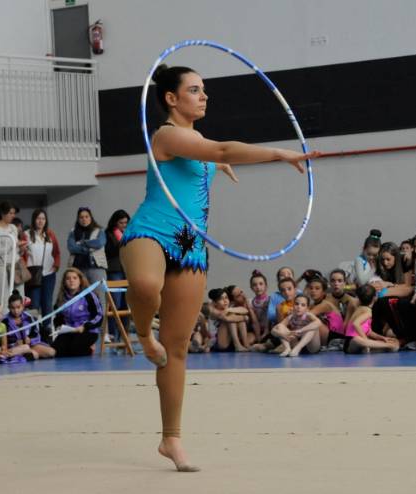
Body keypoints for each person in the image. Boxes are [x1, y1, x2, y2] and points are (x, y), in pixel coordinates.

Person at [117, 64, 315, 471]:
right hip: (151, 231)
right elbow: (220, 150)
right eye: (194, 89)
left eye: (203, 89)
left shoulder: (198, 143)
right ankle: (143, 334)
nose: (204, 96)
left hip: (191, 246)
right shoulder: (165, 135)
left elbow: (210, 156)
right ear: (171, 98)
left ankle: (171, 439)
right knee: (145, 284)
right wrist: (279, 153)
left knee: (177, 348)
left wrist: (214, 166)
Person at [24, 209, 61, 335]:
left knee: (47, 303)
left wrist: (56, 265)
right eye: (38, 218)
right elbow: (22, 255)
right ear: (34, 220)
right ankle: (33, 331)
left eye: (43, 219)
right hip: (33, 274)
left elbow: (56, 252)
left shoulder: (50, 234)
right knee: (34, 304)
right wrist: (25, 270)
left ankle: (47, 330)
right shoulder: (26, 234)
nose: (41, 221)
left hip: (49, 274)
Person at [52, 268, 103, 357]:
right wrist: (59, 327)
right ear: (64, 282)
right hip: (69, 331)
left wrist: (85, 326)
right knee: (57, 350)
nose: (71, 280)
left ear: (80, 281)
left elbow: (99, 316)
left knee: (75, 349)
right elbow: (58, 318)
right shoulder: (61, 298)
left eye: (75, 278)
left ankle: (90, 348)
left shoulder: (89, 295)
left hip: (87, 331)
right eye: (68, 278)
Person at [67, 207, 107, 321]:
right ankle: (82, 325)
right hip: (78, 270)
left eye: (86, 217)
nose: (84, 219)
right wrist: (87, 248)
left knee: (99, 299)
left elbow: (99, 243)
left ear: (91, 218)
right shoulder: (73, 232)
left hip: (96, 268)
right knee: (80, 299)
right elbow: (71, 247)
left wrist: (83, 242)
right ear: (78, 219)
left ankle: (101, 328)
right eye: (81, 217)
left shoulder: (99, 231)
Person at [370, 242, 414, 338]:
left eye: (388, 259)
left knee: (381, 297)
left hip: (405, 290)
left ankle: (382, 333)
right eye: (383, 259)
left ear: (396, 257)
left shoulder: (404, 261)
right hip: (391, 290)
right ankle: (375, 333)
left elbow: (407, 286)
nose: (385, 262)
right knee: (374, 298)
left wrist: (389, 285)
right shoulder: (381, 265)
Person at [343, 284, 399, 354]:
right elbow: (356, 324)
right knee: (357, 339)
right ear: (375, 297)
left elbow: (368, 331)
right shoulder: (367, 311)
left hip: (356, 344)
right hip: (351, 343)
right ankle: (388, 345)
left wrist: (382, 338)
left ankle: (380, 347)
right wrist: (365, 339)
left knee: (366, 340)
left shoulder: (362, 309)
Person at [104, 209, 130, 340]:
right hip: (115, 270)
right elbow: (108, 251)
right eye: (121, 223)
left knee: (126, 304)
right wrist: (122, 243)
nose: (124, 225)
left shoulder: (131, 233)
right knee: (115, 303)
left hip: (128, 270)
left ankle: (124, 334)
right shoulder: (108, 234)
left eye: (126, 223)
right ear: (115, 223)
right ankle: (113, 334)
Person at [4, 292, 55, 359]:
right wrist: (14, 344)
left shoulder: (29, 318)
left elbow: (37, 336)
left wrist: (30, 340)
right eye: (12, 308)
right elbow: (2, 342)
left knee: (51, 352)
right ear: (9, 307)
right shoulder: (5, 321)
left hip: (30, 345)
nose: (16, 311)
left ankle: (29, 354)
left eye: (18, 307)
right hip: (15, 348)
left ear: (22, 306)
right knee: (33, 353)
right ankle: (29, 354)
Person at [206, 287, 249, 352]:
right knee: (232, 318)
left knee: (237, 319)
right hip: (218, 343)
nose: (225, 301)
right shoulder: (213, 311)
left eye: (226, 298)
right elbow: (227, 319)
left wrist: (229, 309)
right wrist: (244, 318)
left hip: (228, 342)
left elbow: (245, 310)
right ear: (215, 303)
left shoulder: (228, 308)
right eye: (221, 299)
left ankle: (246, 345)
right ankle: (237, 345)